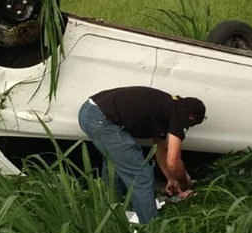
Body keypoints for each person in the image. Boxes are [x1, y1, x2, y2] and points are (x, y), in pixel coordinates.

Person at [77, 86, 206, 224]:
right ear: (191, 118)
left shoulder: (168, 107)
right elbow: (173, 162)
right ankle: (150, 228)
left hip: (90, 112)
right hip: (101, 119)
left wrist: (170, 178)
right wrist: (184, 183)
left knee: (115, 163)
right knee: (141, 175)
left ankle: (110, 213)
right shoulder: (179, 115)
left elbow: (161, 149)